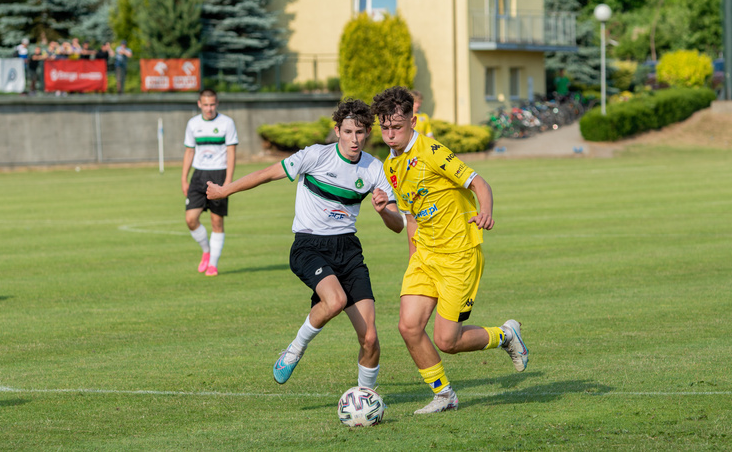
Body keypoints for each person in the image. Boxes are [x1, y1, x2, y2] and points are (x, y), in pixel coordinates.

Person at [206, 99, 404, 389]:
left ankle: (365, 398)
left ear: (367, 134)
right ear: (337, 130)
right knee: (334, 301)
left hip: (348, 250)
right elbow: (265, 174)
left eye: (360, 133)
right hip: (309, 246)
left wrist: (383, 210)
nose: (354, 139)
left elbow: (398, 225)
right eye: (348, 132)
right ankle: (295, 349)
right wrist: (225, 190)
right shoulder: (315, 156)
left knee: (371, 338)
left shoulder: (375, 169)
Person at [371, 86, 528, 415]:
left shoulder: (433, 152)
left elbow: (479, 183)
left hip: (459, 254)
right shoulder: (391, 167)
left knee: (447, 340)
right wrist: (388, 215)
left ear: (413, 121)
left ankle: (505, 335)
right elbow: (409, 219)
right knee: (408, 326)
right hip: (424, 257)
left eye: (396, 127)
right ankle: (444, 395)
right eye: (384, 127)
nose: (389, 134)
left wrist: (485, 210)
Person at [182, 89, 239, 277]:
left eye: (212, 104)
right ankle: (206, 250)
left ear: (217, 103)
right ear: (199, 104)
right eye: (205, 105)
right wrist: (184, 178)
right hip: (198, 175)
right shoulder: (193, 124)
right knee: (191, 219)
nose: (209, 108)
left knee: (216, 221)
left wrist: (228, 182)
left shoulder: (227, 123)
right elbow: (189, 152)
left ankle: (213, 264)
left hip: (219, 175)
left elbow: (231, 152)